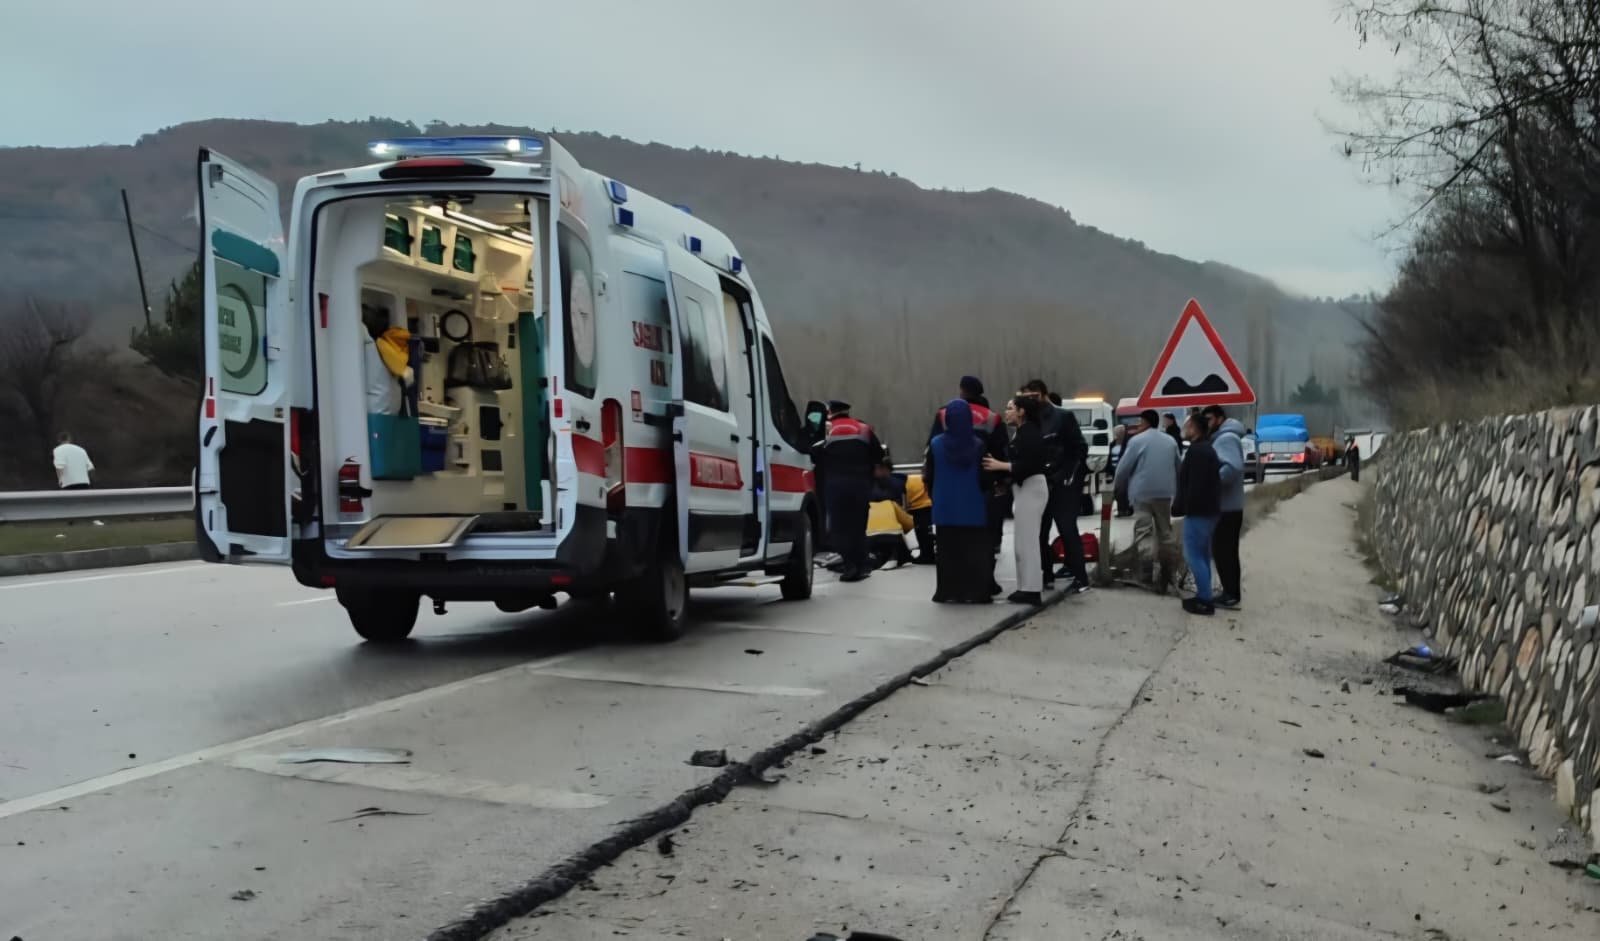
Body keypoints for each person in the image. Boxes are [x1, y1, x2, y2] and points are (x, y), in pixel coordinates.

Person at [1020, 380, 1090, 594]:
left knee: (1067, 528)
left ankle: (1080, 577)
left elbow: (1079, 449)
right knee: (1039, 532)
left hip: (1063, 482)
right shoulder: (1029, 421)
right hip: (1040, 481)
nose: (1030, 401)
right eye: (1026, 398)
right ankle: (1046, 573)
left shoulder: (1062, 417)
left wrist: (1068, 475)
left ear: (1043, 394)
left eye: (1033, 396)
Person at [924, 399, 995, 604]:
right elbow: (985, 478)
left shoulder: (936, 444)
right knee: (974, 552)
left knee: (947, 552)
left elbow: (929, 475)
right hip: (972, 505)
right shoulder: (978, 445)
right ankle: (976, 592)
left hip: (945, 506)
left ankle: (948, 591)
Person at [983, 396, 1049, 605]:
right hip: (1023, 489)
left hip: (1031, 488)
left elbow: (1029, 463)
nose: (1007, 412)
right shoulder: (1022, 432)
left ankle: (1031, 588)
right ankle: (1025, 586)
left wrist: (1000, 466)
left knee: (1027, 541)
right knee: (1021, 541)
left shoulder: (1030, 433)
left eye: (1011, 408)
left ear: (1022, 412)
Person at [1113, 409, 1181, 591]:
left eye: (1140, 422)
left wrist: (1117, 488)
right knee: (1165, 532)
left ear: (1145, 422)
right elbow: (1178, 466)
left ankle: (1146, 574)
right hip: (1165, 493)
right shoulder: (1170, 441)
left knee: (1144, 532)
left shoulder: (1137, 441)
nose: (1138, 425)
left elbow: (1123, 468)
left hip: (1142, 493)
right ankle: (1169, 575)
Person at [816, 400, 883, 582]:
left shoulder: (825, 430)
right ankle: (862, 566)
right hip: (860, 485)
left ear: (830, 412)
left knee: (839, 528)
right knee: (858, 526)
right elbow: (878, 454)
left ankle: (850, 565)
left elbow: (813, 454)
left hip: (835, 485)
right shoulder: (863, 428)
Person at [1173, 413, 1222, 616]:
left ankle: (1204, 600)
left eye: (1187, 425)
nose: (1185, 428)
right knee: (1201, 555)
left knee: (1193, 555)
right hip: (1209, 509)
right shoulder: (1207, 449)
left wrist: (1185, 506)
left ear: (1194, 428)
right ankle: (1205, 594)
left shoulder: (1197, 452)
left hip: (1199, 511)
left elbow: (1195, 484)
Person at [1204, 405, 1247, 610]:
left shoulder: (1226, 438)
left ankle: (1230, 594)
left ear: (1220, 418)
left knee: (1224, 552)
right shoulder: (1223, 438)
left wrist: (1211, 482)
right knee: (1224, 551)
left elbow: (1233, 468)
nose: (1208, 423)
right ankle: (1229, 591)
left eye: (1210, 419)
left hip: (1227, 507)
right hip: (1227, 506)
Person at [903, 468, 936, 564]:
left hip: (918, 506)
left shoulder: (905, 482)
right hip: (928, 504)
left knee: (922, 533)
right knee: (927, 532)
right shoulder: (916, 480)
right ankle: (929, 554)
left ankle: (926, 556)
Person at [1108, 425, 1133, 517]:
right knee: (1117, 491)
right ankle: (1122, 509)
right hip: (1113, 470)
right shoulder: (1112, 444)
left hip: (1124, 470)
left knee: (1122, 491)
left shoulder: (1128, 444)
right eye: (1117, 433)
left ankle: (1124, 509)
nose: (1119, 434)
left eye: (1121, 432)